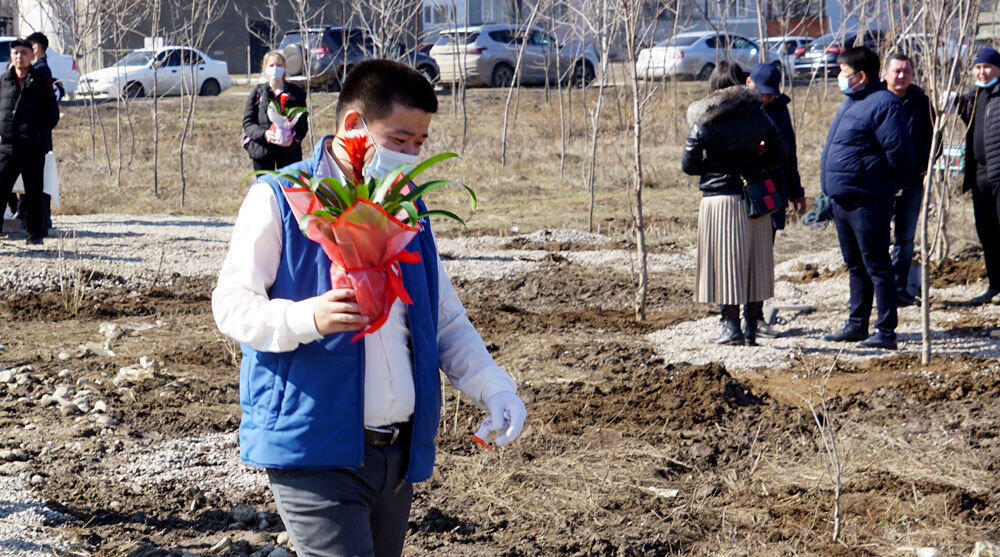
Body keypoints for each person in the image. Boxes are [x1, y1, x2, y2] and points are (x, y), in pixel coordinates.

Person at [213, 59, 527, 557]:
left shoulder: (407, 209)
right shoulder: (280, 197)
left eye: (420, 143)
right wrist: (306, 318)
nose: (410, 155)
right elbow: (231, 305)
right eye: (400, 140)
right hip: (316, 455)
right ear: (354, 125)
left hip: (395, 459)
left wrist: (493, 386)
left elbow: (441, 316)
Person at [682, 60, 790, 347]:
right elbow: (781, 154)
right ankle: (752, 329)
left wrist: (714, 166)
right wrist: (756, 163)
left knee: (724, 264)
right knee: (756, 261)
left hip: (720, 201)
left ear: (714, 87)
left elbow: (689, 165)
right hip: (755, 196)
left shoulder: (705, 118)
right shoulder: (758, 116)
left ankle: (730, 328)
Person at [820, 46, 913, 350]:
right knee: (855, 265)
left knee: (877, 265)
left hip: (868, 200)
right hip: (843, 199)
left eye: (843, 73)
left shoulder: (884, 104)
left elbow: (898, 153)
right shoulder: (852, 102)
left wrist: (887, 186)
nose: (840, 78)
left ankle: (886, 330)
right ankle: (857, 325)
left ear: (860, 76)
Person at [746, 62, 807, 337]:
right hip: (743, 193)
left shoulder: (779, 110)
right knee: (740, 256)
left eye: (771, 93)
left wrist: (796, 192)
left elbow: (790, 153)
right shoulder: (739, 108)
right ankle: (734, 317)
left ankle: (756, 317)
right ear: (749, 83)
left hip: (772, 190)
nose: (766, 98)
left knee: (763, 256)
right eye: (762, 92)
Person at [882, 53, 934, 308]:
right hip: (879, 182)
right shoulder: (875, 100)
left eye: (906, 71)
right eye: (897, 71)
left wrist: (922, 167)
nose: (901, 76)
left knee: (905, 238)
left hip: (912, 181)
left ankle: (899, 287)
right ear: (885, 73)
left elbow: (935, 140)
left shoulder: (922, 103)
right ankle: (879, 290)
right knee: (877, 237)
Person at [0, 39, 59, 245]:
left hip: (33, 147)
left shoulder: (41, 80)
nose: (19, 56)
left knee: (34, 192)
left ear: (32, 55)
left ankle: (35, 235)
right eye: (15, 52)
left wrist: (38, 135)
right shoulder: (3, 80)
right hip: (7, 147)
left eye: (24, 52)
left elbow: (52, 115)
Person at [958, 47, 1000, 305]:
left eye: (988, 67)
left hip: (999, 174)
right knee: (987, 232)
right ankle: (995, 285)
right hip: (979, 174)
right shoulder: (975, 97)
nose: (982, 72)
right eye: (978, 67)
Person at [243, 51, 308, 171]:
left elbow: (303, 125)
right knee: (265, 188)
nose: (275, 68)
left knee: (287, 187)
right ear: (265, 69)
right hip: (262, 153)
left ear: (285, 68)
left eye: (279, 65)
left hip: (289, 154)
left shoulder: (296, 93)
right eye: (271, 65)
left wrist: (293, 139)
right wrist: (264, 134)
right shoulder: (258, 92)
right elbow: (248, 123)